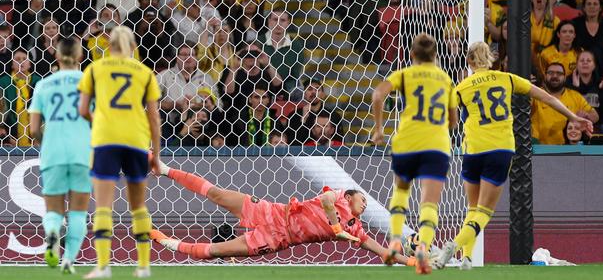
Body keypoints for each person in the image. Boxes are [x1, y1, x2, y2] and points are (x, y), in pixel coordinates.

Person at [435, 42, 593, 270]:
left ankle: (467, 258)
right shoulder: (507, 79)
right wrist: (573, 116)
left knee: (472, 208)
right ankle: (455, 246)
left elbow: (443, 117)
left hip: (473, 149)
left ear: (469, 62)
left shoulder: (463, 87)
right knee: (485, 212)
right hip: (500, 149)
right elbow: (547, 98)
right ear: (490, 59)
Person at [150, 162, 420, 267]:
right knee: (218, 194)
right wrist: (336, 226)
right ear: (349, 196)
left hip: (278, 238)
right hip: (274, 212)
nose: (365, 204)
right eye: (363, 199)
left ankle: (168, 243)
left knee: (217, 251)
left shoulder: (356, 229)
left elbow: (383, 252)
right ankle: (163, 169)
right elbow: (325, 199)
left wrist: (411, 262)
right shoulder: (337, 197)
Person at [77, 26, 162, 279]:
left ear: (108, 44)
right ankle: (144, 267)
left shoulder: (95, 69)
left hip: (106, 139)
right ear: (133, 45)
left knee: (103, 206)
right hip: (136, 139)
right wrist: (155, 154)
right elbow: (154, 117)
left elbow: (82, 109)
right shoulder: (145, 72)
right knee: (138, 206)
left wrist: (99, 121)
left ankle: (103, 267)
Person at [371, 33, 458, 274]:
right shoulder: (445, 79)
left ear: (412, 55)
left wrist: (378, 130)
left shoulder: (404, 75)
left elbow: (378, 95)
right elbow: (454, 121)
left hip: (406, 142)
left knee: (401, 191)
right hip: (436, 145)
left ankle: (396, 240)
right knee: (429, 202)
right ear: (435, 55)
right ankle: (423, 247)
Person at [28, 38, 90, 275]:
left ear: (56, 56)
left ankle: (52, 233)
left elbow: (33, 129)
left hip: (53, 152)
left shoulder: (43, 85)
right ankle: (68, 260)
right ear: (80, 57)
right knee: (78, 211)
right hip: (81, 152)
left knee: (53, 210)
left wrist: (48, 141)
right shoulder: (89, 83)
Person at [532, 63, 599, 144]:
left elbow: (595, 116)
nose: (555, 76)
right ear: (545, 76)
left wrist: (586, 116)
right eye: (551, 73)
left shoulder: (575, 96)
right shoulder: (535, 94)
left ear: (565, 77)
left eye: (559, 73)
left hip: (570, 148)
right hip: (541, 149)